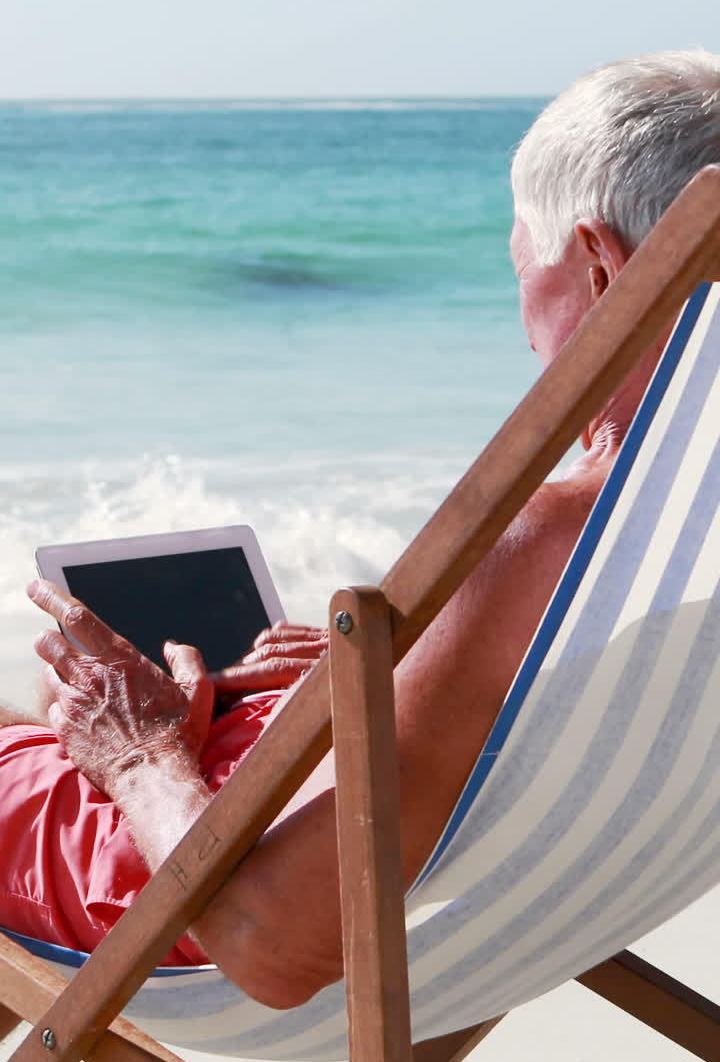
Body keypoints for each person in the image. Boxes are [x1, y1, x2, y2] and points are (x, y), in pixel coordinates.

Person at [2, 49, 720, 1008]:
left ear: (598, 267)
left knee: (33, 734)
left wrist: (136, 753)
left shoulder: (549, 543)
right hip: (491, 894)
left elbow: (271, 944)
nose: (522, 321)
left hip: (176, 887)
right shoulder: (674, 536)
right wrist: (392, 675)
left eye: (523, 267)